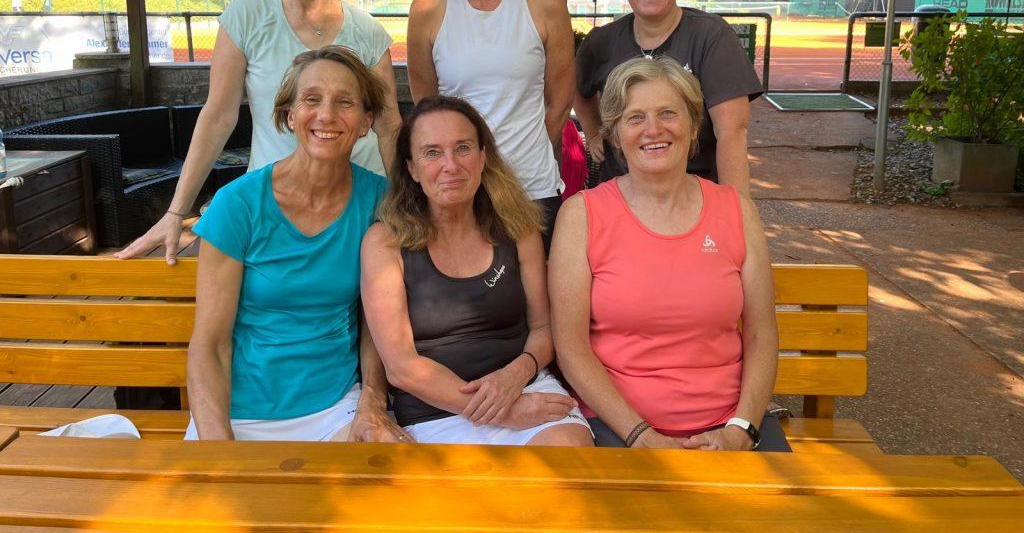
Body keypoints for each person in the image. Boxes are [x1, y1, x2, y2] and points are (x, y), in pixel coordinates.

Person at [118, 0, 402, 263]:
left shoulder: (368, 32)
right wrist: (175, 213)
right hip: (276, 208)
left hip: (360, 209)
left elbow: (388, 126)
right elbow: (218, 116)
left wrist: (403, 206)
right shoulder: (246, 18)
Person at [549, 57, 788, 451]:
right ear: (615, 135)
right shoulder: (582, 216)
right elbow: (571, 346)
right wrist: (641, 436)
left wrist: (741, 429)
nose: (653, 129)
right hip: (619, 428)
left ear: (693, 126)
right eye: (635, 118)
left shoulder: (736, 210)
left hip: (730, 425)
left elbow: (762, 333)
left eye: (668, 113)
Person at [186, 46, 406, 442]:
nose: (326, 115)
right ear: (290, 115)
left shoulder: (379, 200)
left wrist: (372, 401)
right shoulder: (238, 204)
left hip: (335, 407)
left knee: (396, 470)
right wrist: (219, 450)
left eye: (345, 102)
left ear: (366, 121)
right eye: (311, 99)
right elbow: (210, 345)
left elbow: (377, 323)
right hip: (238, 413)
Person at [360, 95, 593, 447]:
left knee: (568, 457)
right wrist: (504, 412)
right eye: (432, 153)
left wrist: (515, 376)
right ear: (412, 168)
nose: (451, 165)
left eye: (463, 148)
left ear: (483, 157)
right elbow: (401, 366)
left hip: (525, 387)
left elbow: (544, 327)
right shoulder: (385, 242)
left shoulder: (517, 228)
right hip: (436, 409)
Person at [406, 0, 575, 251]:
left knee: (536, 289)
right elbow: (427, 108)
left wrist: (520, 156)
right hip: (459, 192)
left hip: (531, 188)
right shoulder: (427, 10)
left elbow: (560, 102)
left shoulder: (546, 6)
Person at [574, 0, 762, 196]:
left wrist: (736, 209)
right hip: (620, 194)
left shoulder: (712, 37)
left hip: (693, 194)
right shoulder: (601, 41)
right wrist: (593, 132)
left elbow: (732, 133)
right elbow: (577, 90)